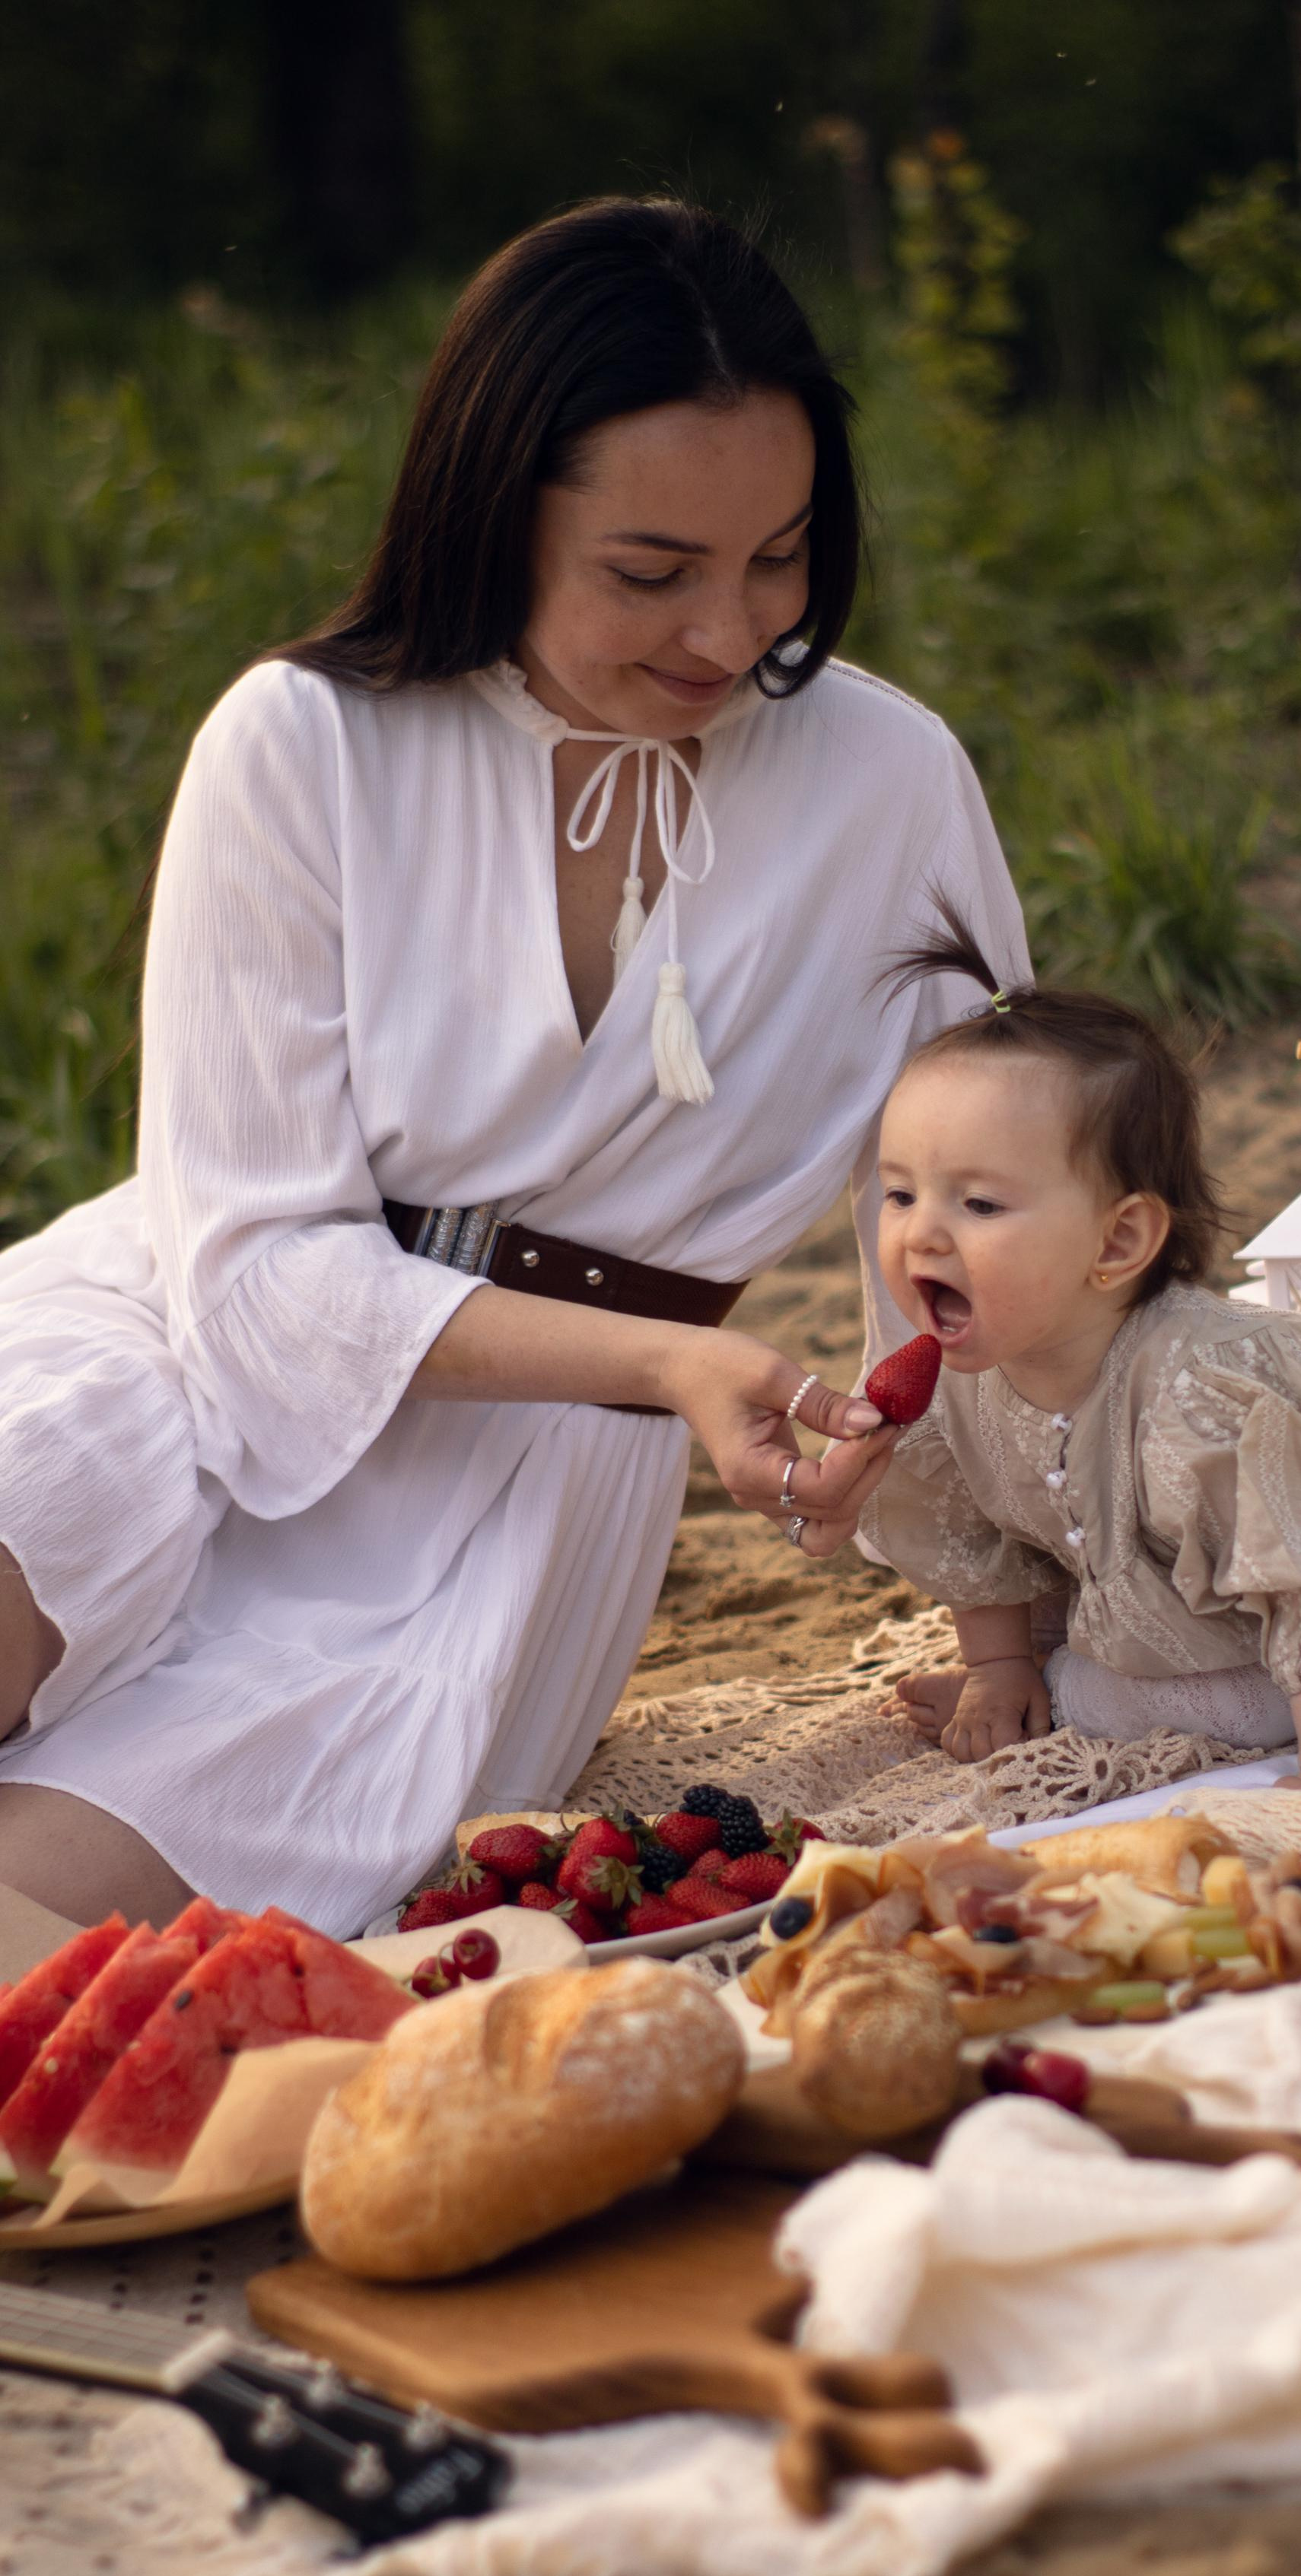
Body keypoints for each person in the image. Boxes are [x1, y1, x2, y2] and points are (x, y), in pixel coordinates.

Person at [0, 201, 1027, 1936]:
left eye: (776, 555)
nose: (725, 631)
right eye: (650, 573)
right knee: (53, 1469)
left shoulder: (887, 784)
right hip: (165, 1341)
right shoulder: (303, 742)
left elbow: (998, 1211)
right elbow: (247, 1289)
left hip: (496, 1520)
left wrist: (994, 1613)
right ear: (491, 510)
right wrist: (667, 1367)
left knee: (46, 1956)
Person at [863, 914, 1301, 1788]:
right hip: (1174, 1599)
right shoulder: (966, 1376)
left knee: (1227, 1704)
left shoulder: (1198, 1393)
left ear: (1116, 1242)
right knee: (1099, 1646)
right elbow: (974, 1532)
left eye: (979, 1205)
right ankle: (1039, 1680)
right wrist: (997, 1666)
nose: (921, 1233)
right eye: (899, 1193)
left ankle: (1068, 1690)